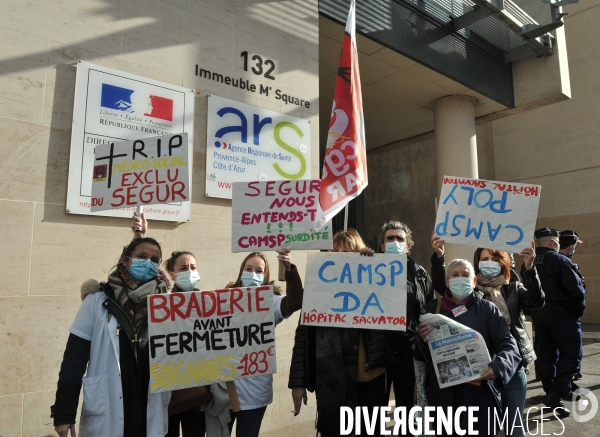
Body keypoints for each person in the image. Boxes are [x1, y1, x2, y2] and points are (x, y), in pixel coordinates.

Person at [51, 236, 171, 437]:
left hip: (149, 401)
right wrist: (64, 413)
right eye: (142, 256)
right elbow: (74, 359)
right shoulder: (97, 301)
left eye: (154, 259)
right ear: (125, 260)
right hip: (110, 403)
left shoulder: (165, 305)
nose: (148, 263)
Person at [431, 235, 544, 436]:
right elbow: (445, 288)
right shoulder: (473, 295)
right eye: (484, 259)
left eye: (494, 259)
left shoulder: (512, 287)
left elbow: (536, 302)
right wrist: (440, 256)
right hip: (477, 370)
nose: (489, 263)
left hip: (510, 363)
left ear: (503, 263)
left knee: (513, 426)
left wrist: (530, 267)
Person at [288, 228, 393, 437]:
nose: (341, 255)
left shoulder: (373, 279)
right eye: (336, 251)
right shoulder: (318, 289)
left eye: (349, 251)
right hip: (333, 381)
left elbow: (394, 308)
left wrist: (374, 264)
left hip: (371, 379)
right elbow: (303, 338)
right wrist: (298, 382)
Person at [417, 259, 521, 437]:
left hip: (480, 394)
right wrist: (421, 338)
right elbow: (422, 355)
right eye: (455, 275)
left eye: (465, 275)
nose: (460, 279)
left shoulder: (488, 309)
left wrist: (497, 368)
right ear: (447, 281)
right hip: (444, 398)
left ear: (474, 281)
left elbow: (508, 345)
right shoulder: (432, 310)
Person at [228, 249, 304, 437]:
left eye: (259, 271)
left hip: (255, 391)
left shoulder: (270, 302)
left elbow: (295, 301)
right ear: (241, 272)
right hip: (226, 389)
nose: (253, 274)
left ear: (265, 276)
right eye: (248, 269)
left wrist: (288, 269)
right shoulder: (224, 299)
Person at [378, 221, 433, 412]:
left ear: (408, 246)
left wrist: (419, 340)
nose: (395, 241)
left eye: (399, 238)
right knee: (373, 416)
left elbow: (428, 310)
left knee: (408, 412)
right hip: (379, 353)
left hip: (409, 354)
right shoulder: (368, 270)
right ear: (382, 246)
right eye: (390, 238)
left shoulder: (420, 273)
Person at [530, 228, 586, 415]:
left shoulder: (530, 261)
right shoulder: (559, 260)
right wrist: (577, 311)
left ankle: (550, 391)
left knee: (547, 354)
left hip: (540, 314)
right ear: (553, 243)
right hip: (562, 315)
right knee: (571, 355)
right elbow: (577, 290)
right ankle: (557, 394)